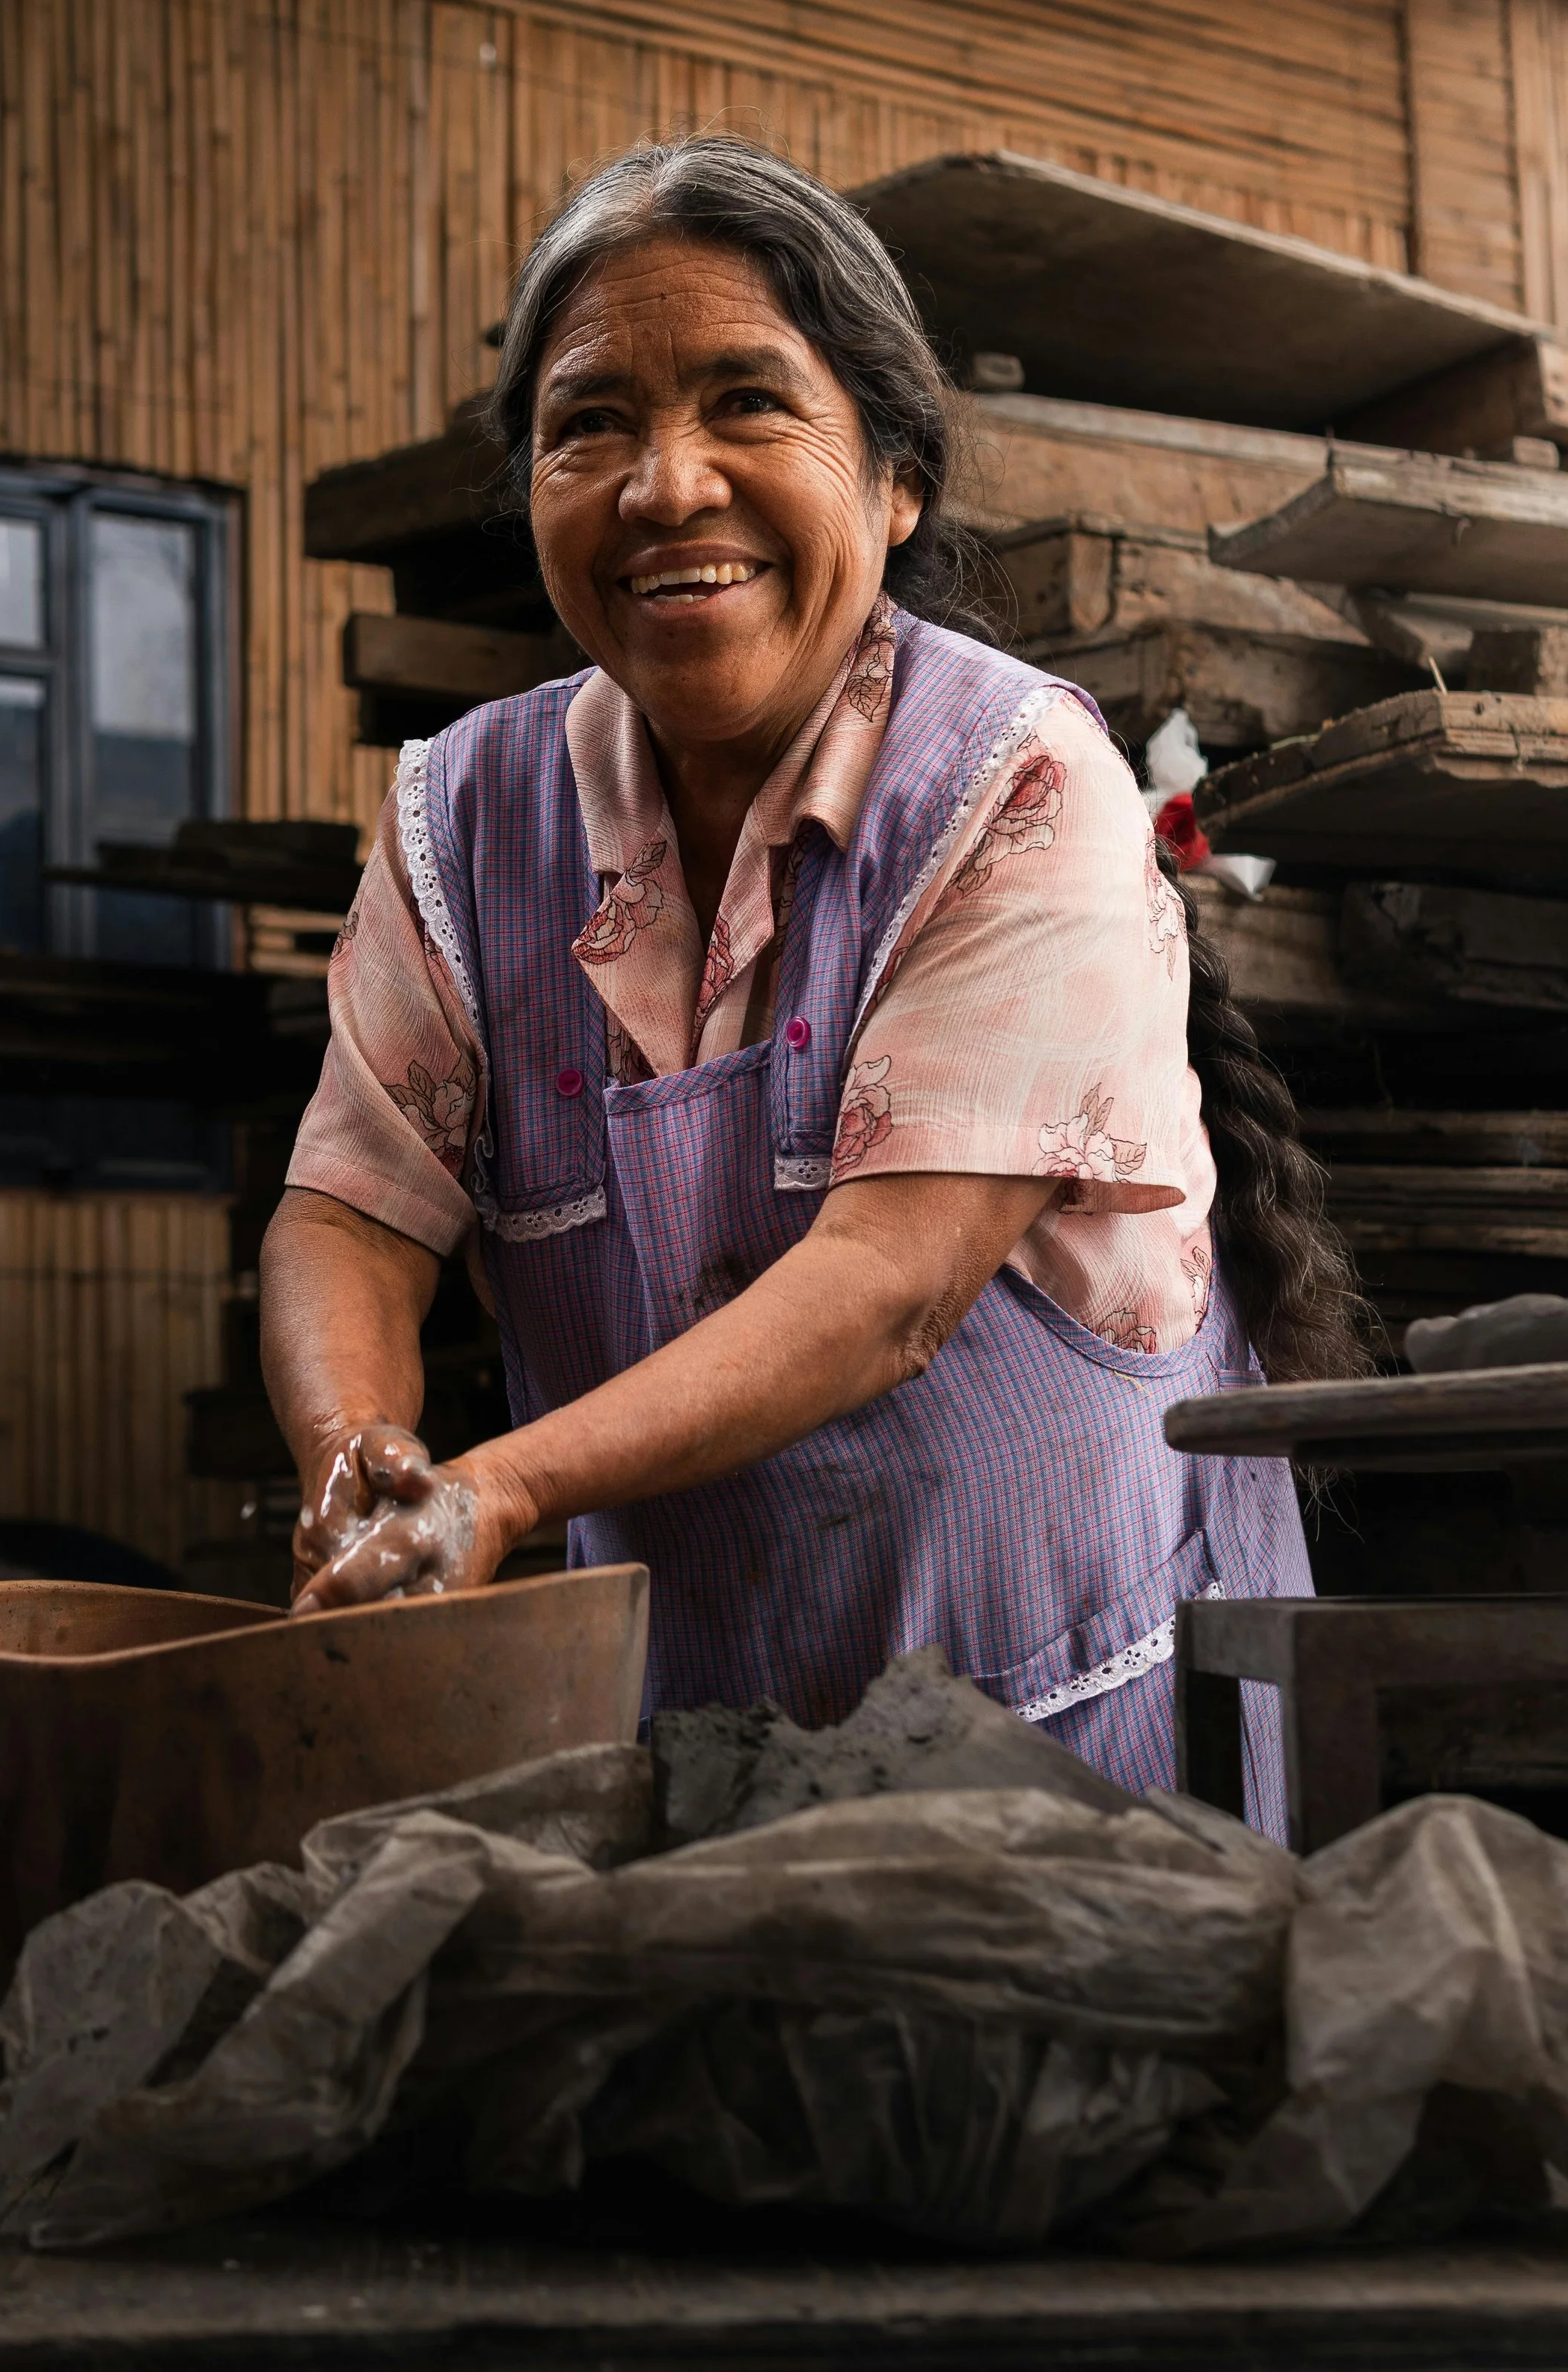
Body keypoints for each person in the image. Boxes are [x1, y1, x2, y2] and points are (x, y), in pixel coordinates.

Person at [260, 135, 1366, 1833]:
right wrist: (360, 1455)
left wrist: (495, 1489)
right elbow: (349, 1210)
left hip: (1076, 1754)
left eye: (745, 405)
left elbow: (889, 1287)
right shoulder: (462, 820)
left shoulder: (1012, 781)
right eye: (590, 425)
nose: (664, 485)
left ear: (892, 479)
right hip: (704, 1755)